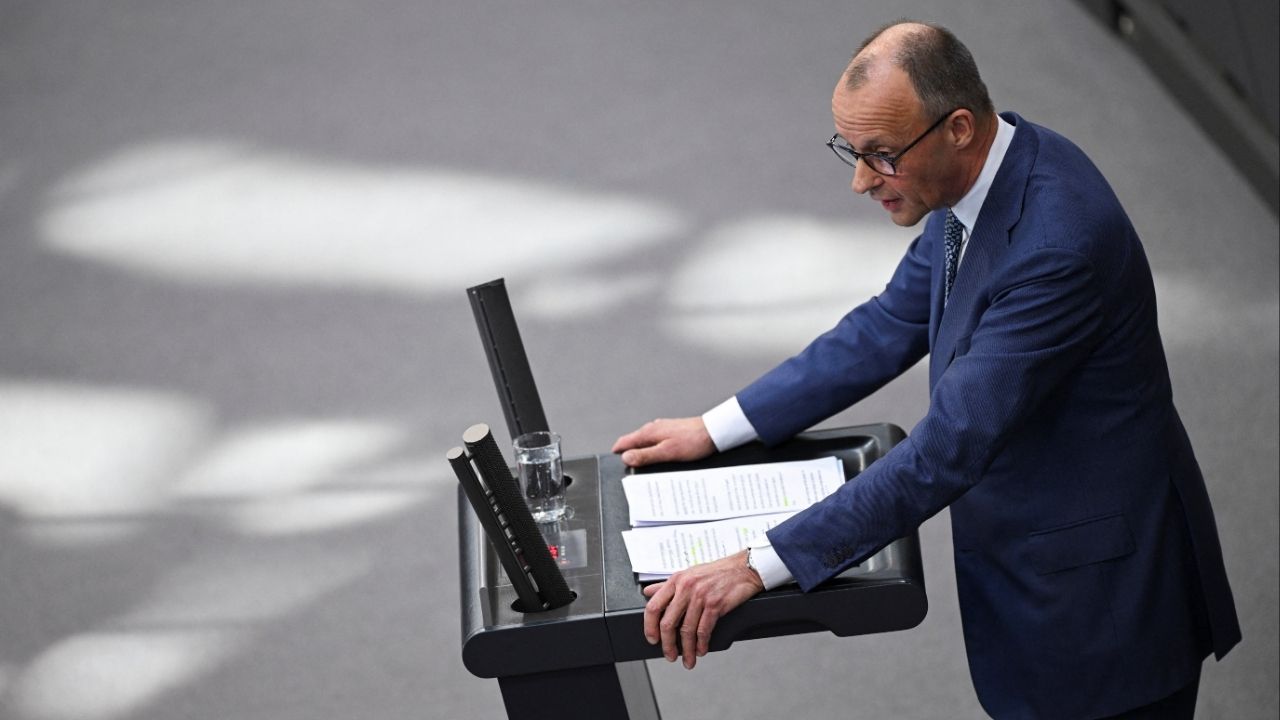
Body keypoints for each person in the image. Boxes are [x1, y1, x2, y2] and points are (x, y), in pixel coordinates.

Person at [611, 20, 1241, 720]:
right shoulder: (973, 183)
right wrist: (716, 427)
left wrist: (757, 565)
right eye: (851, 152)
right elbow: (888, 324)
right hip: (1039, 570)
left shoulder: (1057, 247)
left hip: (1102, 612)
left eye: (879, 156)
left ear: (959, 128)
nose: (859, 181)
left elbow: (947, 448)